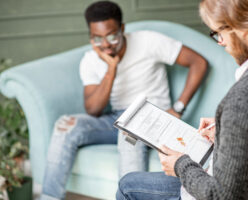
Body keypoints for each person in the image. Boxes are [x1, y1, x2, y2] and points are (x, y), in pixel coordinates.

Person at [116, 0, 248, 199]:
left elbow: (222, 196)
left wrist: (180, 164)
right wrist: (227, 129)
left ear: (241, 28)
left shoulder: (243, 101)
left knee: (128, 185)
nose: (220, 42)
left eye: (218, 33)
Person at [40, 1, 207, 200]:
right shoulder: (90, 59)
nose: (106, 44)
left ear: (122, 29)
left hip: (151, 118)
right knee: (65, 125)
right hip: (115, 119)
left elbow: (198, 62)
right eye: (97, 38)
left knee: (128, 134)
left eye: (111, 36)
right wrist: (111, 69)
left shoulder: (149, 41)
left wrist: (178, 108)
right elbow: (93, 110)